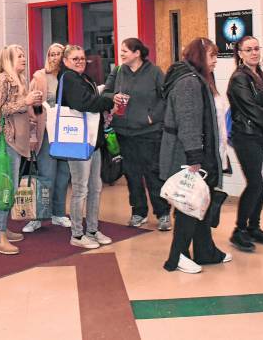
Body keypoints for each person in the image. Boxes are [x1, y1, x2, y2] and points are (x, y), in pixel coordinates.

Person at [161, 37, 231, 274]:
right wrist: (194, 158)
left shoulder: (197, 79)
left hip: (197, 152)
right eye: (212, 56)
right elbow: (188, 122)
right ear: (200, 57)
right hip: (187, 154)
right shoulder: (189, 82)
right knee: (188, 204)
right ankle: (177, 255)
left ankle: (205, 251)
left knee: (201, 201)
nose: (215, 62)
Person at [102, 38, 171, 231]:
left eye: (125, 50)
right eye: (121, 50)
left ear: (137, 53)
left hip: (149, 133)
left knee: (153, 174)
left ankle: (163, 213)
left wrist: (152, 117)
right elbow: (105, 93)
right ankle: (138, 212)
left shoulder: (155, 72)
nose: (121, 53)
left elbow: (166, 98)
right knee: (132, 175)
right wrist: (112, 97)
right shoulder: (118, 71)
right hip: (124, 132)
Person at [226, 36, 263, 251]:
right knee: (256, 183)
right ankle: (239, 230)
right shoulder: (239, 79)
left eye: (256, 48)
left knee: (260, 183)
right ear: (240, 53)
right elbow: (249, 107)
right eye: (248, 49)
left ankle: (254, 227)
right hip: (246, 136)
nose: (254, 53)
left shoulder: (260, 76)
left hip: (261, 135)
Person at [60, 44, 115, 249]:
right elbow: (82, 103)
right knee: (81, 188)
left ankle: (92, 229)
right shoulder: (69, 78)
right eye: (75, 59)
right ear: (65, 62)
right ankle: (77, 233)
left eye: (82, 58)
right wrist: (107, 102)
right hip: (77, 142)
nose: (80, 61)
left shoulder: (84, 78)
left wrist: (101, 101)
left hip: (93, 141)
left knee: (95, 187)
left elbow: (91, 100)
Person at [0, 45, 39, 254]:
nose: (24, 58)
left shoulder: (19, 80)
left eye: (24, 54)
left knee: (11, 187)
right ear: (8, 60)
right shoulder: (3, 80)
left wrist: (31, 104)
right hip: (8, 141)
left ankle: (1, 228)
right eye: (19, 56)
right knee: (5, 187)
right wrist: (23, 102)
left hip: (19, 141)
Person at [21, 43, 72, 233]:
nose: (54, 57)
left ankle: (58, 214)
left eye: (58, 54)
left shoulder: (69, 77)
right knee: (46, 176)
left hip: (66, 133)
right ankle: (37, 217)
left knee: (63, 176)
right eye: (51, 53)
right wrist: (32, 135)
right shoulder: (39, 77)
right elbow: (31, 109)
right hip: (46, 133)